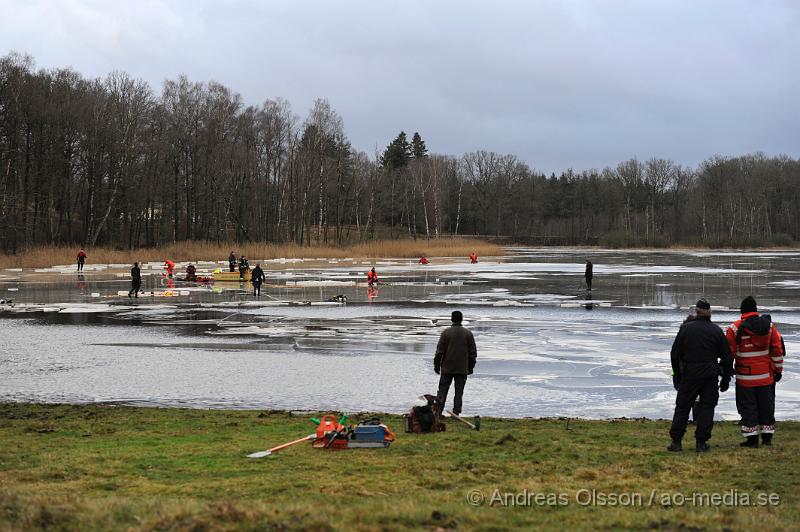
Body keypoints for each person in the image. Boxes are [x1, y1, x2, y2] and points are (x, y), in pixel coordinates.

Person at [667, 299, 733, 452]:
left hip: (690, 373)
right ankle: (701, 443)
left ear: (696, 312)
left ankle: (676, 442)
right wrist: (725, 379)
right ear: (709, 313)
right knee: (707, 408)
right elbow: (727, 357)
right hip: (710, 374)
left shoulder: (686, 329)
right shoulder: (716, 330)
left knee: (682, 407)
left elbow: (674, 354)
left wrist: (677, 375)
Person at [725, 296, 785, 447]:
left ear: (742, 310)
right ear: (756, 309)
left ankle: (751, 439)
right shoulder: (770, 327)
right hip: (766, 376)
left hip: (745, 377)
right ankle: (767, 438)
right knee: (766, 406)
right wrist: (778, 370)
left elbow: (729, 354)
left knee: (748, 406)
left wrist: (726, 373)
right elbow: (777, 350)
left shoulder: (734, 328)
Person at [434, 310, 477, 416]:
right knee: (459, 392)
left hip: (447, 367)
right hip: (462, 368)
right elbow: (473, 353)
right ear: (461, 319)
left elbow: (440, 351)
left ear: (452, 319)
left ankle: (438, 412)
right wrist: (470, 367)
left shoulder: (446, 333)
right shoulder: (468, 333)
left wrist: (436, 366)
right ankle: (456, 412)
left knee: (442, 391)